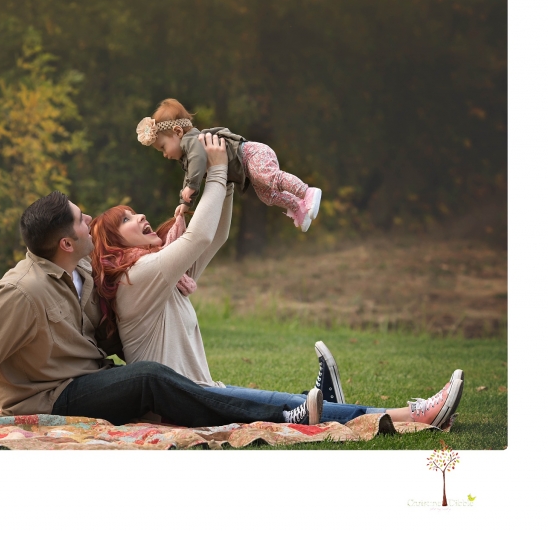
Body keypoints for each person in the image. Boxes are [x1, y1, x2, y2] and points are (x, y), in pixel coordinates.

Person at [90, 131, 464, 428]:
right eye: (125, 220)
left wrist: (232, 177)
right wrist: (217, 171)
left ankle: (344, 404)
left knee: (287, 404)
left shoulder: (162, 279)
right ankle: (412, 416)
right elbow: (198, 237)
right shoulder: (134, 281)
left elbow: (214, 237)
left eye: (134, 212)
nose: (139, 216)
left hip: (201, 395)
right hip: (184, 409)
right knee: (288, 408)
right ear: (112, 244)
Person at [0, 176, 324, 427]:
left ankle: (306, 407)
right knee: (148, 377)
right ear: (65, 243)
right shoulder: (21, 292)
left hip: (92, 378)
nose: (90, 224)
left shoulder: (80, 269)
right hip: (53, 396)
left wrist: (172, 265)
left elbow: (132, 269)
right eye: (83, 220)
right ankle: (282, 414)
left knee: (166, 382)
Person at [136, 97, 322, 231]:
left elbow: (197, 166)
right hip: (248, 166)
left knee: (270, 178)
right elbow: (191, 176)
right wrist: (185, 203)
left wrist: (191, 187)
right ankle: (298, 207)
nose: (165, 155)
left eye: (163, 147)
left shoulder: (191, 141)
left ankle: (306, 192)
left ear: (177, 132)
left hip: (250, 154)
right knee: (267, 195)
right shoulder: (187, 157)